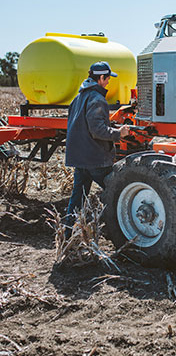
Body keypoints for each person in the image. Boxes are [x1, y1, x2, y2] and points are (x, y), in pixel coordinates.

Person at [64, 61, 130, 236]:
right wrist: (119, 133)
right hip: (95, 158)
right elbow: (97, 131)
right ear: (101, 78)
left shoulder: (78, 98)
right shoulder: (97, 98)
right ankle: (121, 230)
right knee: (117, 193)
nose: (108, 81)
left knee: (76, 199)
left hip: (80, 158)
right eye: (107, 78)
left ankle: (67, 234)